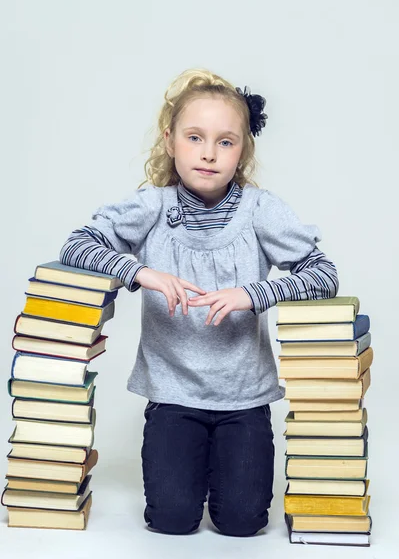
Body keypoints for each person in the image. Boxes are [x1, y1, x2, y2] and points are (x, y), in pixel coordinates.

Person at [59, 68, 339, 537]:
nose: (209, 153)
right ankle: (190, 470)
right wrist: (139, 272)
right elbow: (77, 245)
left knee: (242, 523)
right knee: (171, 520)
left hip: (244, 400)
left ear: (242, 151)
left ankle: (226, 470)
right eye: (195, 137)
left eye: (226, 142)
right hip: (172, 396)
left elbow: (323, 274)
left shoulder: (260, 211)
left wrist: (254, 294)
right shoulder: (153, 207)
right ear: (170, 141)